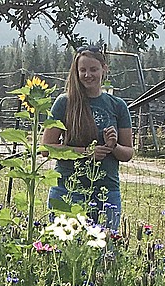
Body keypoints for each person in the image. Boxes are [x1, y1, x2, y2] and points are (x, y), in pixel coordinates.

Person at [41, 46, 134, 231]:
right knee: (65, 250)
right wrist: (86, 153)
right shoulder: (64, 103)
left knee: (103, 251)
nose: (87, 75)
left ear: (104, 69)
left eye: (93, 69)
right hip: (67, 191)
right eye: (82, 70)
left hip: (106, 194)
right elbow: (46, 148)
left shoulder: (118, 106)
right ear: (76, 72)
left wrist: (113, 146)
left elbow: (128, 153)